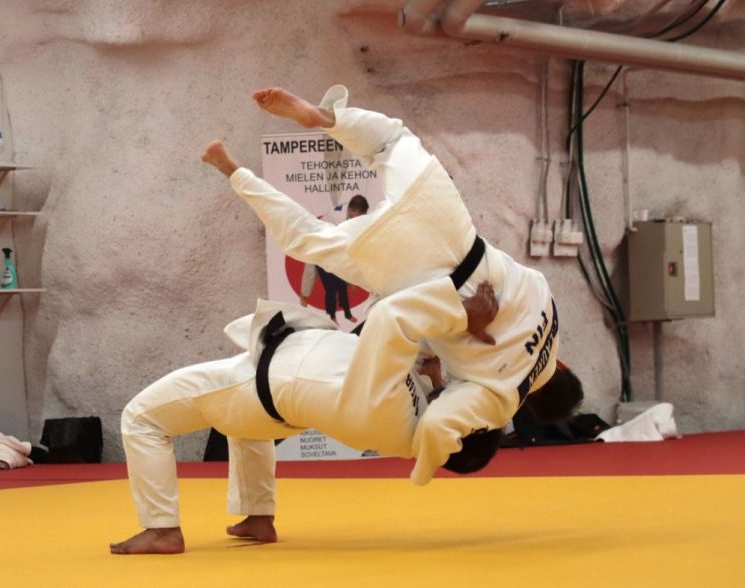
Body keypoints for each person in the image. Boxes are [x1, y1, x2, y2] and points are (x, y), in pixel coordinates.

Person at [201, 84, 582, 476]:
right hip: (408, 274)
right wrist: (424, 465)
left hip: (452, 227)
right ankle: (233, 171)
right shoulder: (502, 398)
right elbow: (438, 421)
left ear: (563, 366)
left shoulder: (548, 305)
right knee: (306, 239)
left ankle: (327, 118)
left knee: (391, 140)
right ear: (529, 404)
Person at [111, 285, 502, 555]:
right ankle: (258, 516)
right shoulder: (414, 414)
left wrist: (462, 316)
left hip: (255, 384)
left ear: (453, 431)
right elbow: (402, 348)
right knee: (243, 427)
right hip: (274, 399)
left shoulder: (394, 414)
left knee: (142, 418)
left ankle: (161, 528)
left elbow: (389, 316)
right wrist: (438, 368)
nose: (465, 397)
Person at [299, 195, 370, 324]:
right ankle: (304, 295)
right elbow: (342, 252)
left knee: (342, 286)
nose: (359, 220)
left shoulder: (352, 214)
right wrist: (351, 279)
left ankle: (347, 314)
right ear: (351, 210)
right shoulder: (338, 219)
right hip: (320, 241)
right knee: (311, 270)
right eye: (358, 217)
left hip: (331, 242)